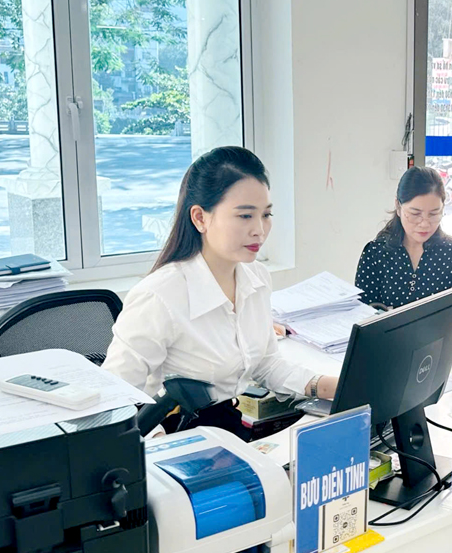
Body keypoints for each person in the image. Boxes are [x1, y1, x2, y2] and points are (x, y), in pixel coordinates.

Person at [104, 146, 338, 418]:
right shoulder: (159, 296)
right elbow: (115, 399)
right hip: (171, 436)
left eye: (266, 215)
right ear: (200, 218)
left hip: (226, 426)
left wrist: (327, 385)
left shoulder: (256, 279)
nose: (259, 230)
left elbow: (265, 364)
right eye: (245, 215)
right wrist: (157, 448)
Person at [354, 166, 452, 322]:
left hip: (441, 344)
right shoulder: (375, 253)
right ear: (398, 206)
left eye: (434, 214)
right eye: (415, 214)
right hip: (387, 344)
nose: (424, 224)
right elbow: (362, 314)